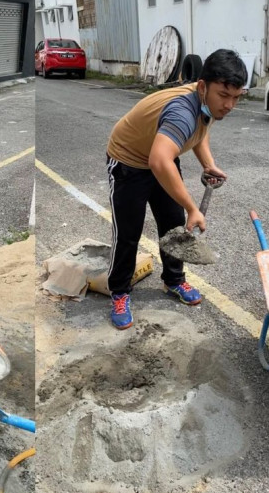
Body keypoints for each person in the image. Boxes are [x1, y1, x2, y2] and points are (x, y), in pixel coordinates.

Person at [106, 49, 247, 329]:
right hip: (128, 162)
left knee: (173, 225)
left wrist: (208, 164)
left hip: (160, 156)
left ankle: (173, 280)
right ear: (203, 86)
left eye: (236, 97)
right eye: (224, 95)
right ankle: (119, 292)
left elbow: (199, 131)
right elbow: (159, 161)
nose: (229, 105)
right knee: (128, 233)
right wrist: (193, 207)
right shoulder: (182, 111)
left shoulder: (206, 103)